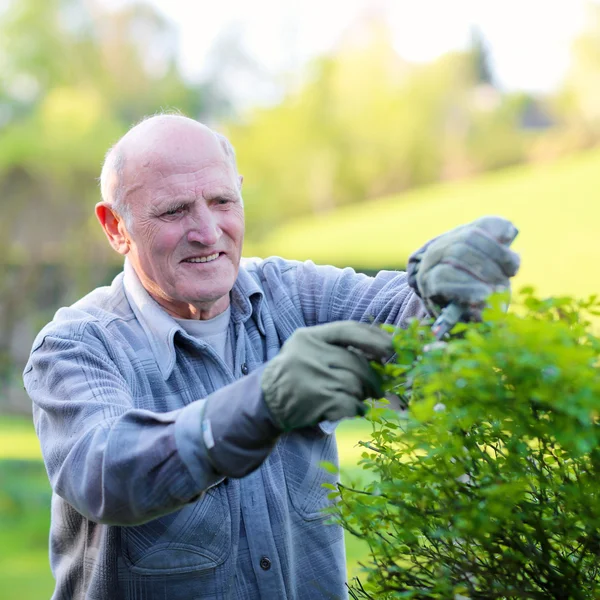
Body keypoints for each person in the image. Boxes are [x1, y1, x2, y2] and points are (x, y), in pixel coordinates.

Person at [23, 114, 520, 600]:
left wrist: (449, 287)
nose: (207, 231)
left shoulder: (294, 296)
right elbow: (108, 473)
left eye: (222, 201)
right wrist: (260, 406)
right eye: (174, 211)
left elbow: (410, 322)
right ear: (115, 227)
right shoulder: (77, 346)